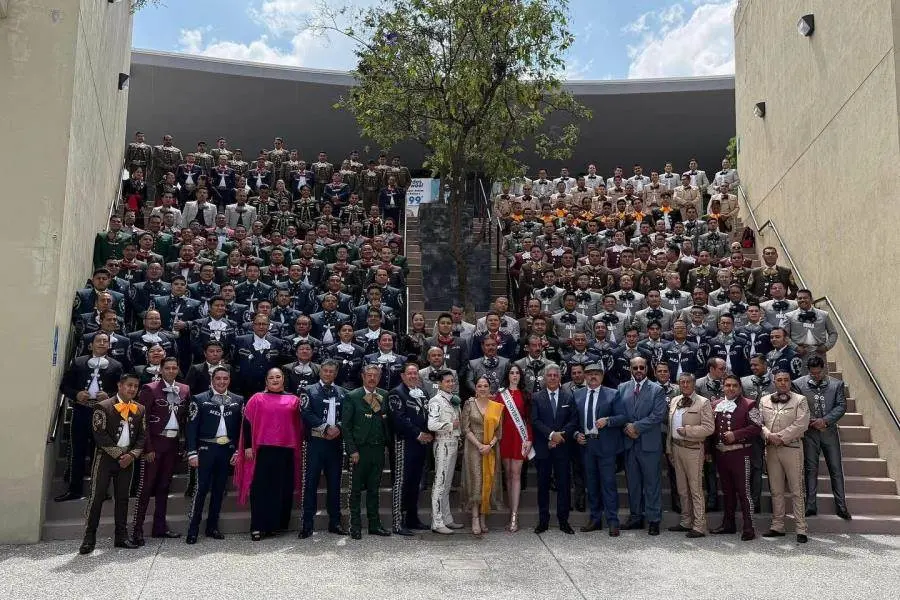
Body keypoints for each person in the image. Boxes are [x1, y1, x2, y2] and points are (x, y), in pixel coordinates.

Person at [78, 373, 146, 554]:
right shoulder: (103, 406)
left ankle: (121, 537)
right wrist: (118, 455)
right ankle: (89, 538)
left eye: (135, 386)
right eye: (129, 385)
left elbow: (142, 436)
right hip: (106, 458)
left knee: (123, 498)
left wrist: (131, 455)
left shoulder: (140, 409)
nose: (132, 389)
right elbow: (99, 435)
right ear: (119, 386)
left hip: (128, 460)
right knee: (97, 497)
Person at [235, 368, 304, 541]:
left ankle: (273, 525)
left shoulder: (294, 400)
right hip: (262, 450)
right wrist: (248, 447)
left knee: (280, 489)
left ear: (283, 380)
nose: (275, 380)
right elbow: (247, 422)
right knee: (260, 489)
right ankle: (257, 526)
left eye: (278, 377)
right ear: (266, 381)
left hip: (286, 450)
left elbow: (300, 424)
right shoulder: (256, 398)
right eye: (271, 377)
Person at [56, 333, 123, 502]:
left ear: (109, 345)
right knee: (77, 452)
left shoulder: (116, 365)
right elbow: (64, 386)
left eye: (105, 341)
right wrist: (76, 394)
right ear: (90, 345)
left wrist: (109, 395)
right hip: (81, 411)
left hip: (103, 414)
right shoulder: (78, 362)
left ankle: (100, 490)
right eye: (98, 341)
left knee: (100, 453)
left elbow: (122, 391)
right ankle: (74, 490)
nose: (102, 343)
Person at [131, 357, 190, 544]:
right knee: (146, 487)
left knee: (164, 487)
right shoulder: (150, 388)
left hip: (172, 444)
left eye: (174, 368)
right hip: (154, 445)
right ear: (161, 369)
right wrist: (146, 448)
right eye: (168, 368)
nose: (171, 371)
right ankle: (137, 529)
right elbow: (142, 421)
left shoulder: (184, 389)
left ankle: (160, 527)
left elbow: (185, 418)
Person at [184, 366, 244, 544]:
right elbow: (191, 428)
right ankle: (193, 529)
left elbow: (242, 429)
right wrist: (192, 452)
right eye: (218, 378)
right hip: (205, 450)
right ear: (212, 379)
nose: (222, 382)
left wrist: (238, 450)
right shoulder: (199, 399)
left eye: (225, 378)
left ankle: (212, 527)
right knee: (201, 490)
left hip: (226, 450)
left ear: (229, 380)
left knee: (219, 490)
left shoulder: (238, 400)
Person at [794, 356, 851, 520]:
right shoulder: (799, 384)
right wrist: (812, 420)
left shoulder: (836, 384)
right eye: (813, 374)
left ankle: (841, 506)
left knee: (836, 469)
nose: (816, 376)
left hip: (829, 431)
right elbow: (799, 406)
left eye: (818, 373)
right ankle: (810, 505)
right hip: (810, 432)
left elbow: (841, 405)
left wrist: (825, 420)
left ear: (824, 369)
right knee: (810, 469)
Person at [299, 359, 350, 538]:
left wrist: (339, 427)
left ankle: (334, 522)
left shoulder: (343, 392)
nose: (328, 374)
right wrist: (325, 428)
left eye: (331, 372)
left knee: (335, 484)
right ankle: (307, 524)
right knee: (311, 483)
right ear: (320, 372)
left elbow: (347, 415)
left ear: (336, 374)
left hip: (335, 443)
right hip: (315, 442)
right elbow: (306, 412)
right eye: (325, 371)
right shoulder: (308, 390)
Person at [708, 373, 762, 541]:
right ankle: (728, 524)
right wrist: (708, 451)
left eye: (734, 386)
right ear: (723, 387)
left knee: (744, 491)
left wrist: (736, 434)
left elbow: (757, 427)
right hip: (722, 454)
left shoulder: (749, 404)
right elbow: (711, 431)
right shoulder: (715, 404)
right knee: (727, 491)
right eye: (727, 385)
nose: (730, 388)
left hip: (740, 453)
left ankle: (749, 527)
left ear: (740, 388)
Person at [760, 369, 811, 543]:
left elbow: (801, 424)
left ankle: (801, 528)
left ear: (790, 382)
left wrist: (781, 437)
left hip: (792, 447)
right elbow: (759, 423)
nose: (782, 383)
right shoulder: (764, 400)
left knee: (796, 490)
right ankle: (777, 525)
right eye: (779, 380)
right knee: (776, 490)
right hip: (771, 449)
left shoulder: (800, 400)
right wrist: (768, 435)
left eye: (786, 380)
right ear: (774, 381)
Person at [573, 364, 624, 536]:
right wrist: (575, 434)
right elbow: (573, 421)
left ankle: (612, 521)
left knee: (608, 484)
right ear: (585, 377)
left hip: (606, 446)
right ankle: (595, 519)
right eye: (589, 374)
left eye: (596, 374)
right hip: (587, 446)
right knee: (592, 485)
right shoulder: (577, 394)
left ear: (602, 377)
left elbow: (623, 417)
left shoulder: (613, 394)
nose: (593, 377)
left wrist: (608, 420)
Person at [342, 364, 392, 539]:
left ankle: (374, 524)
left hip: (378, 448)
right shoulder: (352, 396)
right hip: (359, 450)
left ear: (379, 377)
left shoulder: (384, 395)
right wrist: (352, 450)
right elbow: (346, 427)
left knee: (374, 489)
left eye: (375, 376)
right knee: (355, 490)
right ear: (363, 377)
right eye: (369, 375)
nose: (372, 378)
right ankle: (355, 525)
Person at [619, 357, 668, 535]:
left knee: (651, 483)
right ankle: (636, 517)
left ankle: (654, 519)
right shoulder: (622, 388)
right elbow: (619, 413)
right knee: (633, 483)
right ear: (630, 369)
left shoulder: (657, 390)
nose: (638, 370)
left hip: (649, 444)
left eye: (641, 367)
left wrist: (636, 427)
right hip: (629, 444)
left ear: (647, 369)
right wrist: (626, 427)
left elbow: (658, 415)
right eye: (635, 367)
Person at [666, 373, 714, 538]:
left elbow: (709, 428)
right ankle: (686, 521)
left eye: (688, 382)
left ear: (694, 384)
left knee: (695, 488)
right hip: (676, 448)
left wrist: (688, 431)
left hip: (693, 449)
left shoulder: (703, 402)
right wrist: (669, 449)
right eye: (682, 382)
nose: (685, 385)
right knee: (682, 489)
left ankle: (699, 525)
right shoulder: (674, 400)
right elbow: (670, 427)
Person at [530, 364, 577, 535]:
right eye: (548, 375)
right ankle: (543, 521)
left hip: (562, 447)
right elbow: (535, 421)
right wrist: (551, 435)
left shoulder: (568, 397)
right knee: (542, 485)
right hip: (544, 447)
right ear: (544, 377)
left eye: (555, 375)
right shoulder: (536, 397)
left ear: (559, 378)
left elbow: (573, 420)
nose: (552, 378)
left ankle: (563, 520)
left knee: (563, 485)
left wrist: (560, 435)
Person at [388, 363, 433, 535]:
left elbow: (430, 414)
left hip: (421, 444)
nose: (413, 376)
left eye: (415, 373)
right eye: (410, 373)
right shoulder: (396, 393)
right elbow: (399, 419)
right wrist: (418, 434)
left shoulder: (423, 392)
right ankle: (398, 523)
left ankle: (412, 518)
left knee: (415, 483)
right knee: (401, 483)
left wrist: (429, 433)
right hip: (404, 443)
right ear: (403, 376)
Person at [461, 376, 504, 536]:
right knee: (476, 480)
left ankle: (483, 515)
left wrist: (489, 445)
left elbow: (499, 432)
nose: (483, 388)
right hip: (473, 447)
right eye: (480, 386)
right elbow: (465, 428)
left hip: (490, 447)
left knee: (488, 480)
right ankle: (474, 517)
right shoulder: (469, 404)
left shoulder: (497, 407)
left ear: (490, 388)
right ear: (476, 388)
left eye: (486, 386)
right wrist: (479, 445)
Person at [493, 364, 533, 532]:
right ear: (507, 375)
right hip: (504, 437)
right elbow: (494, 418)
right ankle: (510, 510)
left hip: (520, 438)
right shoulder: (500, 395)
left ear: (520, 376)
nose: (514, 375)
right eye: (512, 373)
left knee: (516, 474)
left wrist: (529, 439)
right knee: (508, 474)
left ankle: (514, 516)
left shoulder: (526, 395)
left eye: (517, 373)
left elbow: (529, 419)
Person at [427, 370, 464, 534]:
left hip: (453, 443)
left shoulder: (452, 400)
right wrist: (450, 425)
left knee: (447, 484)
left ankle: (447, 518)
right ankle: (437, 521)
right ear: (440, 383)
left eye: (452, 381)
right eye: (447, 381)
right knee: (440, 483)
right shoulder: (436, 401)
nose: (450, 384)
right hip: (442, 444)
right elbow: (431, 425)